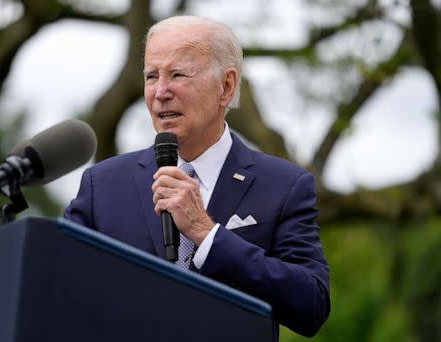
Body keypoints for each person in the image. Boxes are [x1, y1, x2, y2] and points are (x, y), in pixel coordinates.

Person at [64, 15, 330, 340]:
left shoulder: (284, 186)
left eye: (178, 74)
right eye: (151, 76)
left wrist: (207, 235)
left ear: (226, 86)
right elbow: (57, 288)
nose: (160, 92)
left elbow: (311, 306)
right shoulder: (102, 186)